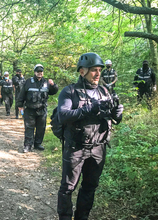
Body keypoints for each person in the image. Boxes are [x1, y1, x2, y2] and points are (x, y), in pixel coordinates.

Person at [56, 53, 124, 220]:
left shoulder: (104, 91)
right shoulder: (70, 91)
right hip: (75, 148)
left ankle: (82, 217)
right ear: (82, 72)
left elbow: (114, 119)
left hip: (98, 148)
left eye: (99, 70)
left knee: (89, 187)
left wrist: (118, 113)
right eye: (94, 70)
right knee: (68, 188)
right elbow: (63, 115)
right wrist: (88, 109)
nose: (98, 74)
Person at [16, 64, 58, 153]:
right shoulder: (28, 82)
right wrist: (20, 105)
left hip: (42, 110)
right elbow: (22, 94)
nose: (40, 73)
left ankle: (38, 144)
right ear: (35, 72)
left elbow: (53, 92)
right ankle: (27, 145)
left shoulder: (46, 83)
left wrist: (53, 85)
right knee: (29, 128)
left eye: (41, 72)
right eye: (38, 71)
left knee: (41, 128)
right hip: (30, 110)